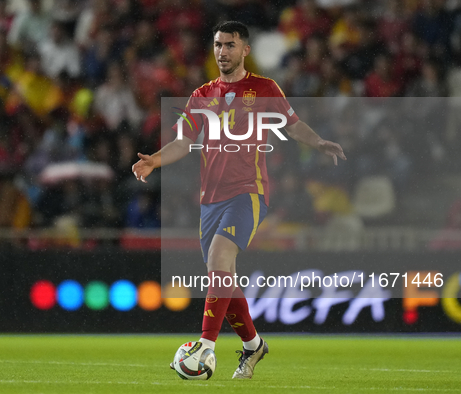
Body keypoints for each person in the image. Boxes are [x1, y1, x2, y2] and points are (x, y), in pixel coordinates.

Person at [132, 21, 346, 379]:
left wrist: (319, 142)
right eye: (218, 45)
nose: (222, 52)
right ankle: (253, 346)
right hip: (210, 201)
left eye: (230, 45)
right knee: (223, 278)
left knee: (219, 258)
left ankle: (205, 346)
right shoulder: (201, 95)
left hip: (248, 193)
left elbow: (292, 125)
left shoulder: (263, 89)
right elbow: (184, 142)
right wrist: (155, 159)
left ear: (245, 49)